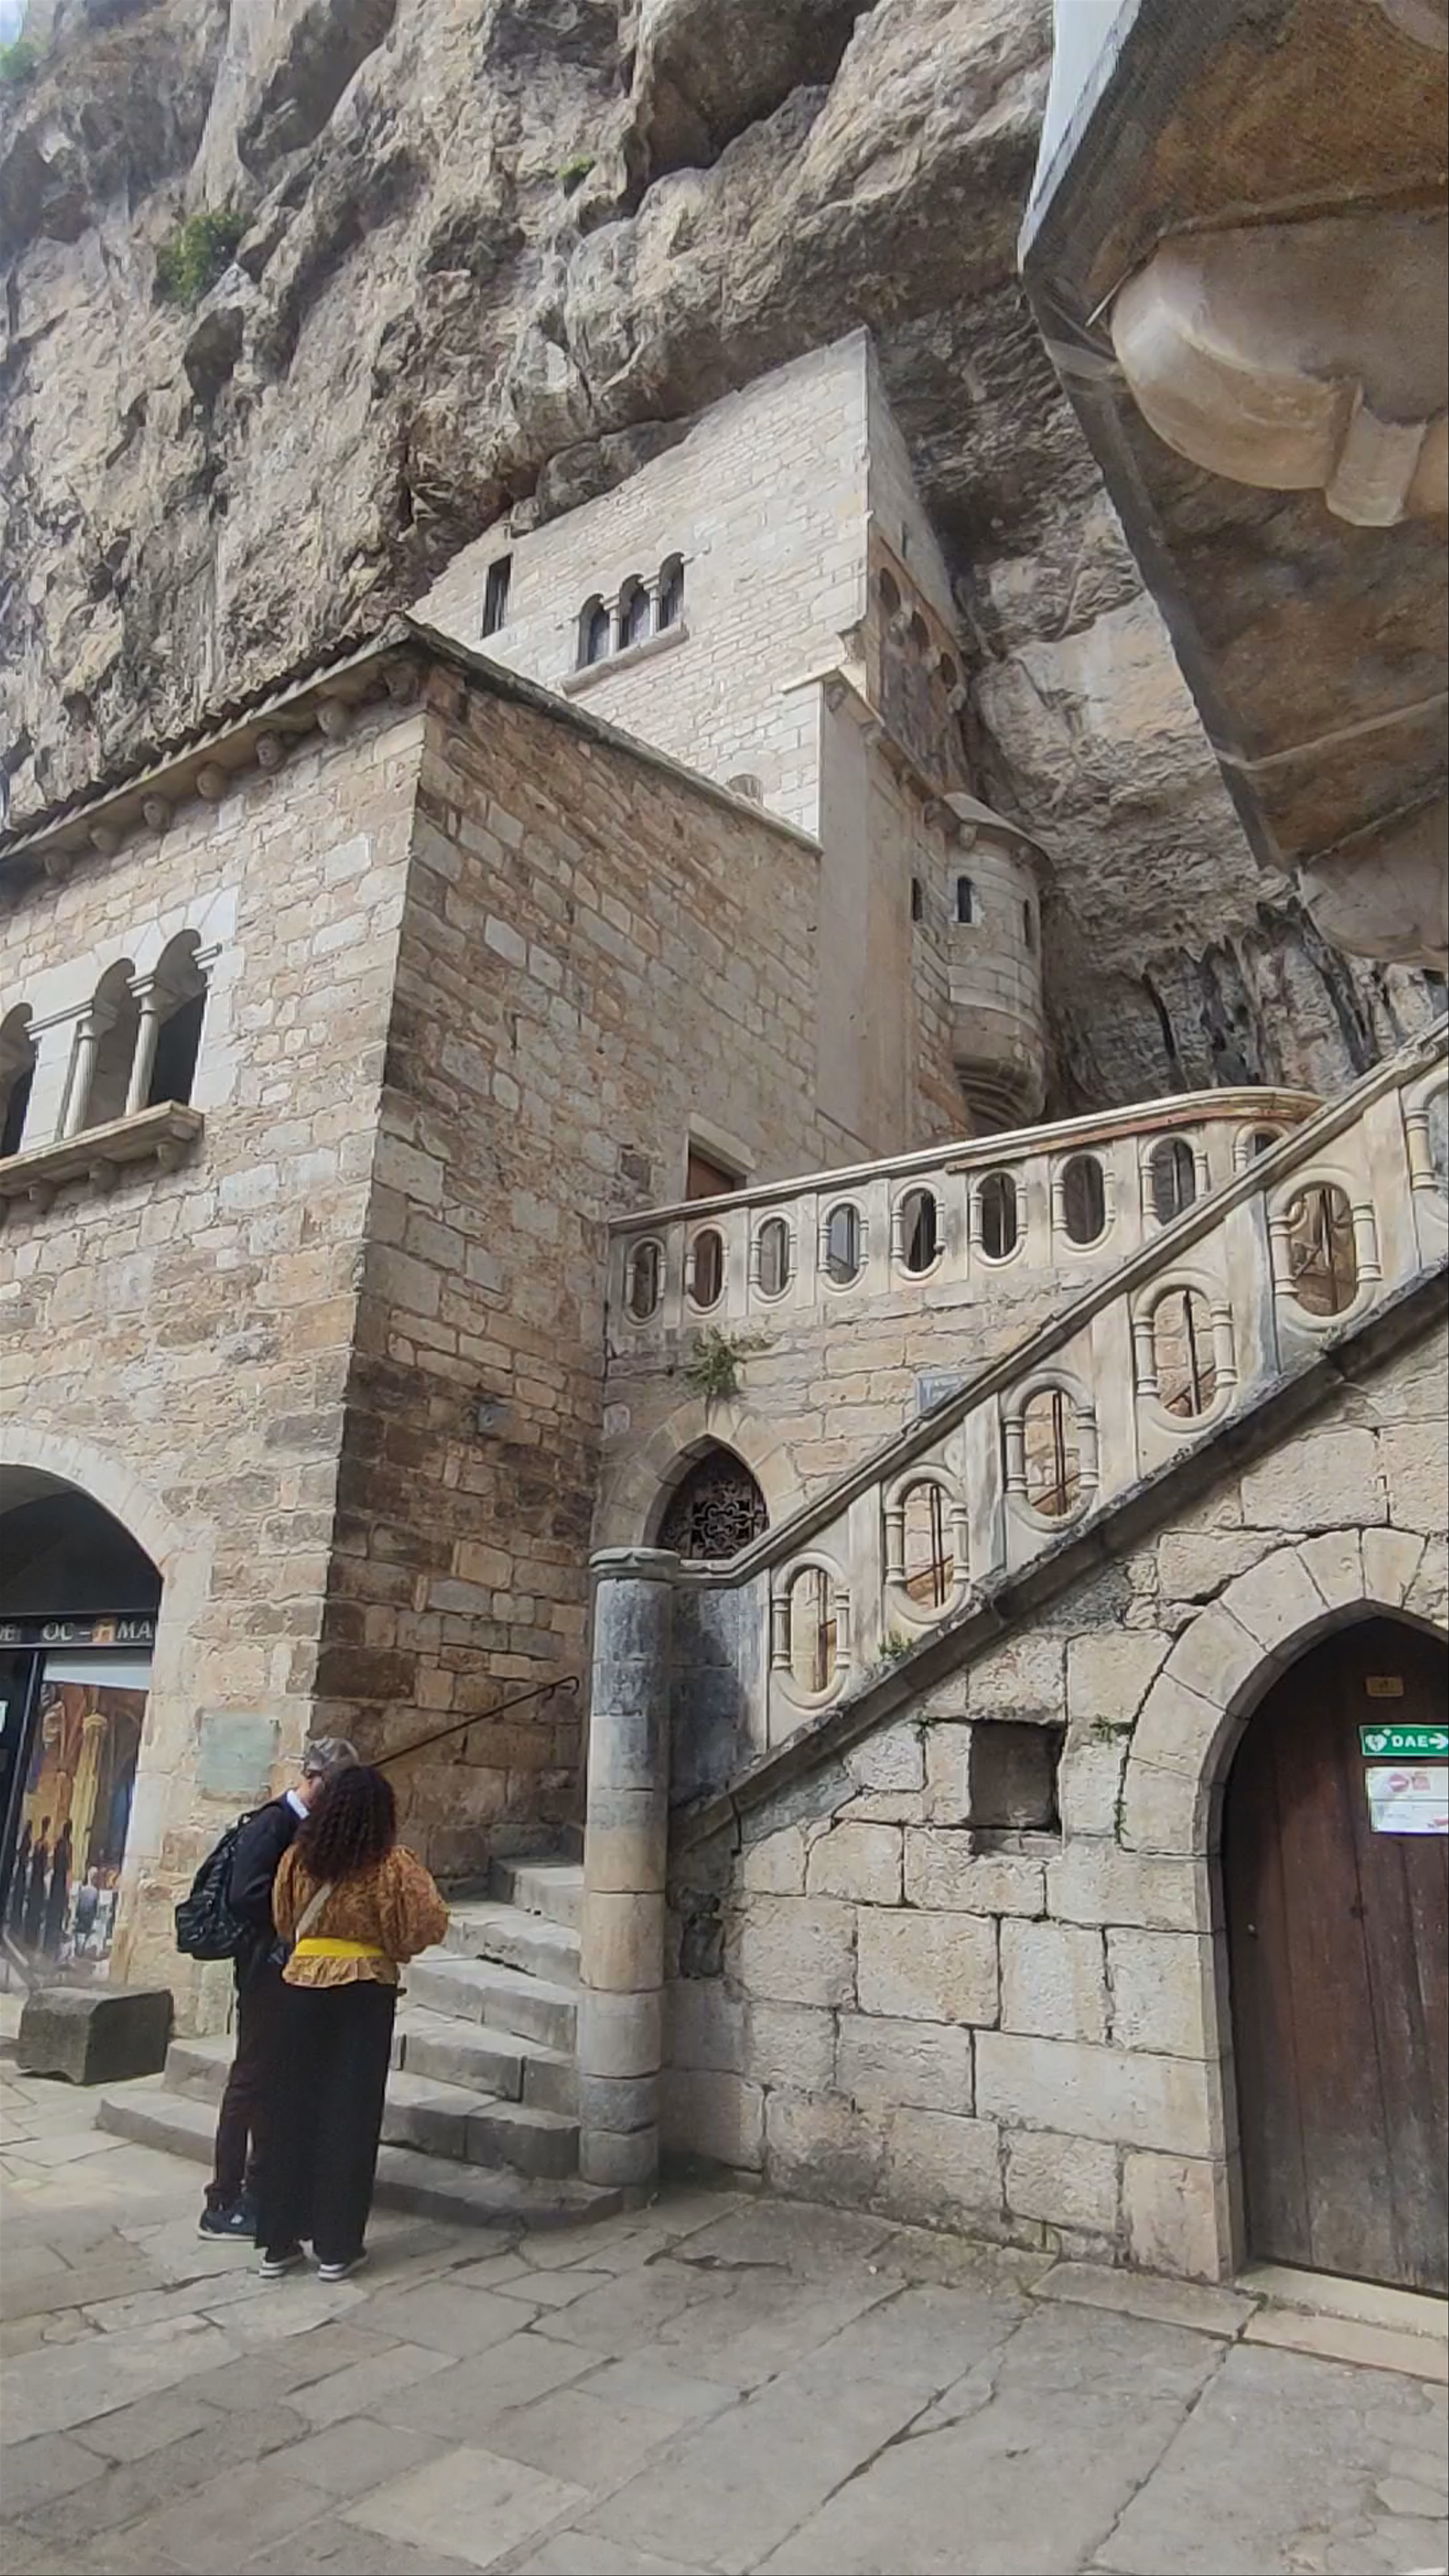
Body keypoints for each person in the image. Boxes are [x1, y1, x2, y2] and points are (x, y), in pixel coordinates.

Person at [257, 1764, 447, 2281]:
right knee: (350, 2113)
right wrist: (392, 1945)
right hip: (363, 1987)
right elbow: (430, 1920)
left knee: (289, 2109)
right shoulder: (391, 1865)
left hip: (299, 1984)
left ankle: (278, 2239)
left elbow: (281, 1916)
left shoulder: (299, 1858)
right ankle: (338, 2244)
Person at [198, 1736, 358, 2241]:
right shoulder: (273, 1824)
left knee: (273, 2079)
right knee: (249, 2079)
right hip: (264, 1971)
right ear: (316, 1780)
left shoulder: (305, 1828)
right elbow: (247, 1895)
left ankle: (261, 2186)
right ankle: (222, 2197)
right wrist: (291, 1919)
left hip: (287, 1972)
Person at [43, 1820, 72, 1958]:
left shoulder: (59, 1844)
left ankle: (49, 1944)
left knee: (53, 1912)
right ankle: (52, 1946)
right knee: (57, 1912)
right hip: (60, 1881)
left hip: (56, 1879)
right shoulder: (67, 1846)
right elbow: (67, 1867)